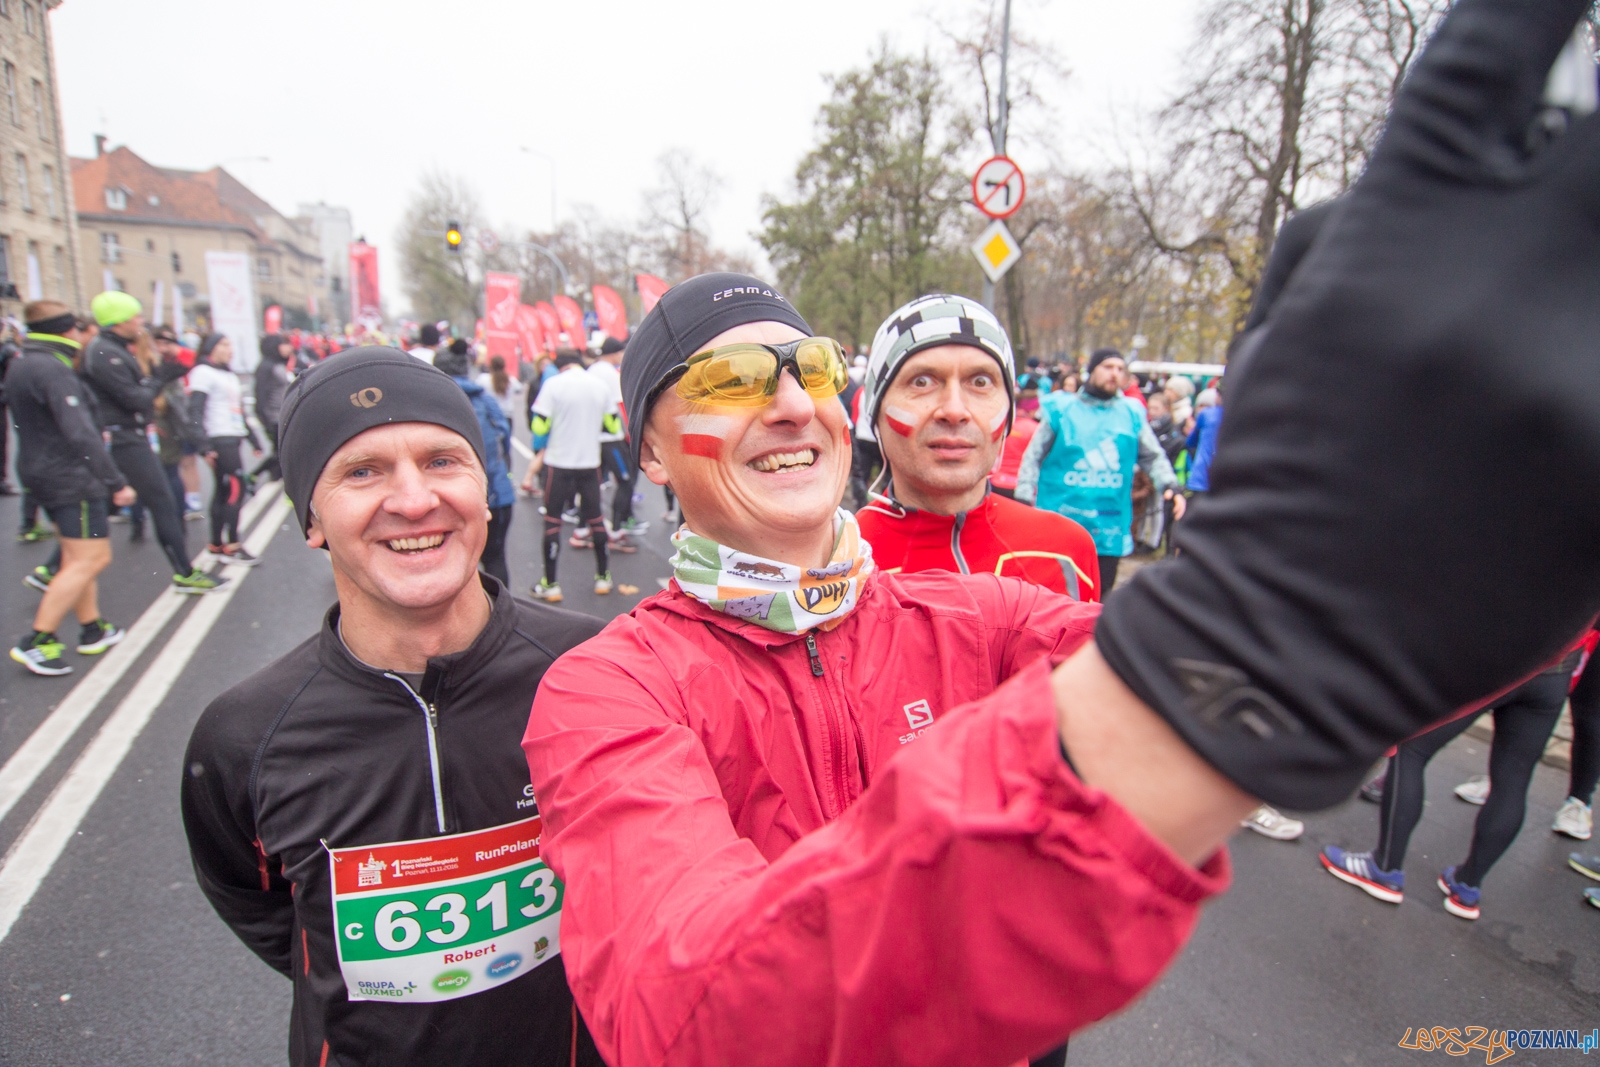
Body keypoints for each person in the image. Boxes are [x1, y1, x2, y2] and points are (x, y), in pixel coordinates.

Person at [533, 10, 1600, 1060]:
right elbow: (696, 1020)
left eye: (807, 367)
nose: (786, 402)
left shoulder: (983, 612)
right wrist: (1252, 640)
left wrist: (1456, 546)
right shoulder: (608, 691)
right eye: (727, 380)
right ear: (653, 451)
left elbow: (1338, 672)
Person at [180, 346, 605, 1067]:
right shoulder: (245, 737)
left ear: (483, 483)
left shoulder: (600, 670)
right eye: (362, 470)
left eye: (443, 460)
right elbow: (257, 903)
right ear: (311, 519)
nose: (413, 499)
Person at [854, 293, 1100, 603]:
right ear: (875, 410)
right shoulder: (838, 566)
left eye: (980, 381)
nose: (954, 410)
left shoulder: (1067, 550)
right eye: (921, 381)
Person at [1321, 644, 1584, 919]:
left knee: (1410, 750)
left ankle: (1384, 868)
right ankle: (1468, 886)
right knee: (1514, 780)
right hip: (1555, 670)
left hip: (1499, 660)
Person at [5, 301, 136, 675]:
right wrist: (115, 481)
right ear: (68, 331)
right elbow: (80, 431)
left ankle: (91, 628)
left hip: (40, 472)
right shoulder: (54, 369)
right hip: (72, 479)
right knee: (91, 558)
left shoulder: (23, 361)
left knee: (74, 554)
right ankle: (39, 640)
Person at [80, 292, 222, 593]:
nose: (141, 322)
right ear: (119, 320)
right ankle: (185, 572)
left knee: (108, 503)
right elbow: (136, 398)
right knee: (161, 502)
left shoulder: (111, 349)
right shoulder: (106, 352)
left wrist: (157, 377)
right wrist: (158, 379)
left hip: (128, 435)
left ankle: (56, 569)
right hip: (123, 438)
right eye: (136, 317)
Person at [1015, 347, 1184, 593]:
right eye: (1108, 367)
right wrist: (1023, 495)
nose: (1114, 373)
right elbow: (1033, 455)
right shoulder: (1062, 409)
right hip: (1061, 521)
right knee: (1051, 597)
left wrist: (1169, 485)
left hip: (1108, 529)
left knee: (1098, 598)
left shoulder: (1131, 412)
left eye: (1119, 368)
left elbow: (1152, 455)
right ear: (1092, 370)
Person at [527, 349, 617, 601]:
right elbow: (613, 425)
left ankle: (551, 584)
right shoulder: (599, 386)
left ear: (560, 366)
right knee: (597, 519)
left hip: (559, 463)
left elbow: (539, 426)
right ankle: (603, 578)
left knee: (553, 521)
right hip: (590, 463)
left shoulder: (553, 384)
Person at [436, 339, 516, 586]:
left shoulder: (430, 406)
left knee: (450, 563)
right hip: (497, 495)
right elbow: (505, 441)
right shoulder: (485, 400)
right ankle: (501, 615)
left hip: (447, 501)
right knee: (495, 558)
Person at [187, 333, 262, 566]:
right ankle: (232, 545)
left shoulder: (228, 374)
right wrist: (204, 445)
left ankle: (216, 543)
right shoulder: (202, 372)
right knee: (234, 490)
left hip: (233, 435)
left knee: (223, 491)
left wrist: (253, 440)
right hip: (219, 439)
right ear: (210, 347)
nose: (230, 349)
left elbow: (238, 410)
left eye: (230, 344)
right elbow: (195, 412)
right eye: (224, 344)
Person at [584, 335, 645, 550]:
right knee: (625, 481)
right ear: (615, 353)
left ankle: (584, 527)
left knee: (591, 483)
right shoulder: (611, 374)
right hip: (611, 438)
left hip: (591, 437)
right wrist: (633, 435)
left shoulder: (590, 371)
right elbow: (621, 407)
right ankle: (617, 529)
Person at [251, 332, 292, 484]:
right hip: (274, 417)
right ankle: (256, 474)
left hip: (283, 414)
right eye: (284, 344)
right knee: (281, 452)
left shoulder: (279, 364)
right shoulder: (265, 367)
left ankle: (275, 478)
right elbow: (260, 396)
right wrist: (266, 420)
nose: (289, 348)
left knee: (282, 452)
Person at [479, 353, 525, 426]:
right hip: (507, 415)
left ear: (490, 365)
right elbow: (519, 388)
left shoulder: (483, 379)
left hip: (490, 415)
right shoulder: (510, 380)